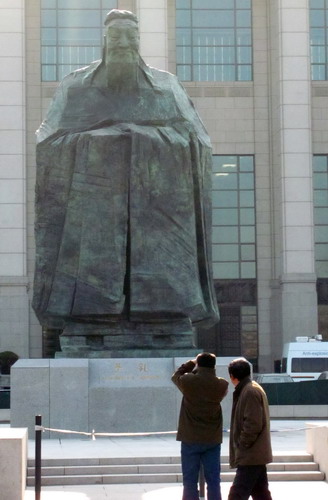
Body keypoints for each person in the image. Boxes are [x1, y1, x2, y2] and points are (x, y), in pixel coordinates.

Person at [33, 9, 219, 353]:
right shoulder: (76, 87)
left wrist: (146, 142)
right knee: (92, 283)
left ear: (139, 42)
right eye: (116, 37)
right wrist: (99, 142)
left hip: (158, 211)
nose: (123, 44)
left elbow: (197, 140)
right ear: (104, 41)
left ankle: (162, 323)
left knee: (161, 276)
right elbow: (48, 142)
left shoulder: (166, 87)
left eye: (130, 38)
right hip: (93, 212)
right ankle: (91, 324)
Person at [171, 352, 228, 500]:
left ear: (198, 364)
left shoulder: (188, 381)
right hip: (212, 439)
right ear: (214, 365)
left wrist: (191, 363)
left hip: (190, 437)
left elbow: (176, 375)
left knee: (189, 480)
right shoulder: (221, 384)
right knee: (214, 480)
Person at [228, 358, 273, 500]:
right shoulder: (251, 388)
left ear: (232, 376)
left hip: (251, 454)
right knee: (261, 494)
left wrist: (243, 444)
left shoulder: (249, 391)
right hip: (255, 453)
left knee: (237, 494)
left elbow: (253, 424)